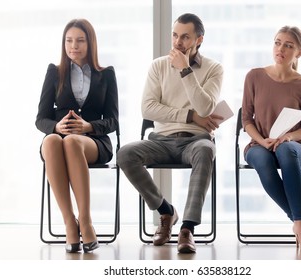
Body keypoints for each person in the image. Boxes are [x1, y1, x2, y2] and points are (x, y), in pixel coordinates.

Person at [117, 13, 223, 254]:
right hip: (161, 140)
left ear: (199, 40)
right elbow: (148, 108)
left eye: (185, 37)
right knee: (125, 154)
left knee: (207, 150)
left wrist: (186, 70)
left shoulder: (214, 69)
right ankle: (166, 211)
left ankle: (187, 229)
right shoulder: (158, 66)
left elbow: (206, 106)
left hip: (195, 141)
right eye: (175, 35)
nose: (178, 42)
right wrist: (190, 116)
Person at [35, 19, 119, 253]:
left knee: (72, 141)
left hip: (94, 142)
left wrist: (87, 127)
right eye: (69, 41)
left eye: (80, 40)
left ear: (90, 43)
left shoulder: (106, 74)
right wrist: (56, 127)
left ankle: (86, 220)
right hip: (58, 141)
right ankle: (69, 222)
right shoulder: (54, 72)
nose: (74, 46)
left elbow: (113, 120)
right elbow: (40, 119)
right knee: (52, 140)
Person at [241, 26, 301, 251]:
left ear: (299, 52)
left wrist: (288, 137)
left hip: (293, 145)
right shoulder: (254, 76)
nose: (281, 49)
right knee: (264, 161)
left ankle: (300, 224)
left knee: (285, 151)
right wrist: (261, 140)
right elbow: (246, 119)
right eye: (278, 43)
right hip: (258, 144)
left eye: (288, 46)